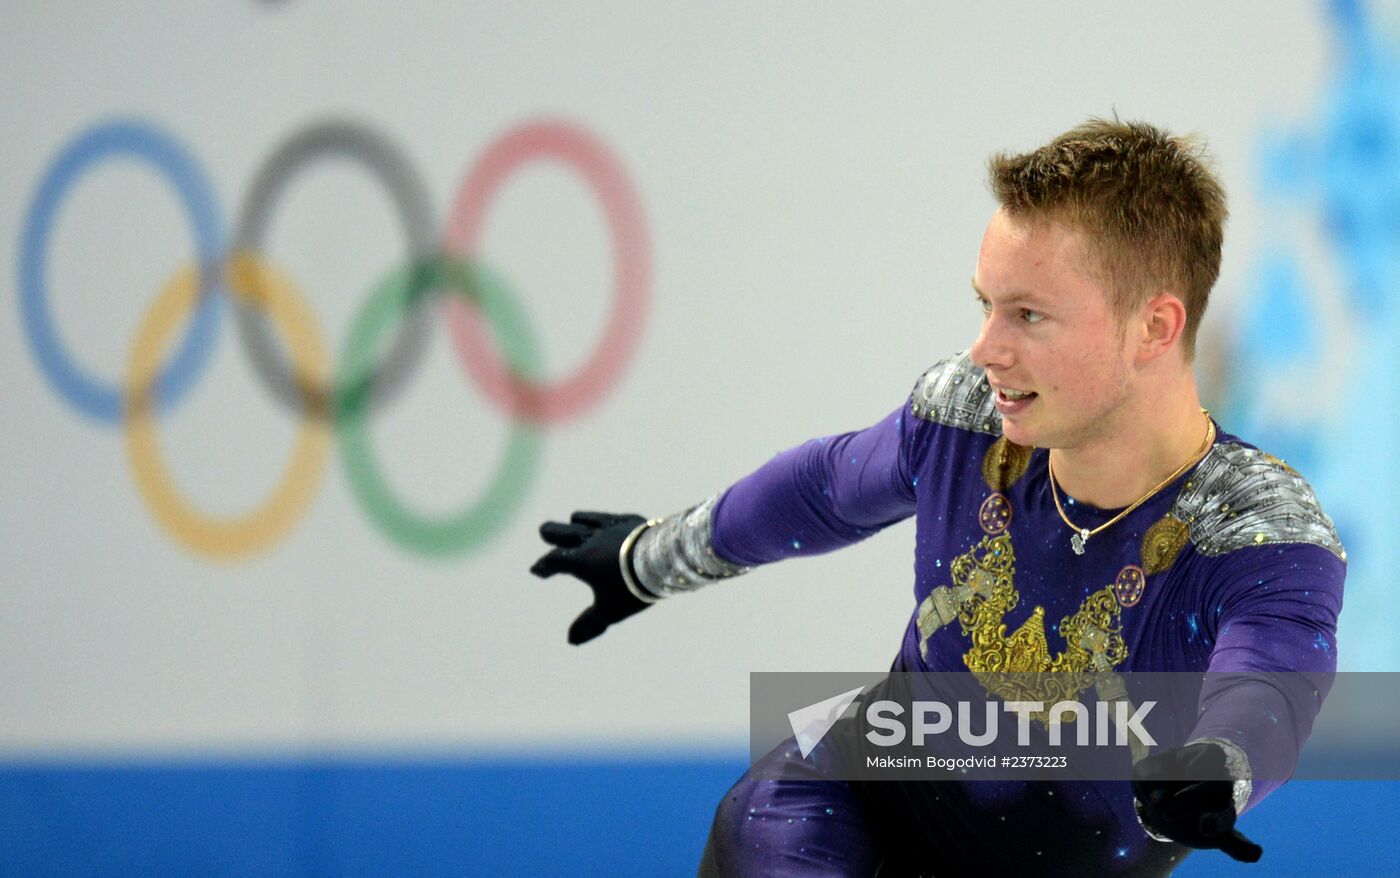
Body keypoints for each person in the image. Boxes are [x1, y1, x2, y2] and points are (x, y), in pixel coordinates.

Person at [530, 119, 1345, 876]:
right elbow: (824, 487)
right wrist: (650, 560)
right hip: (839, 804)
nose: (986, 349)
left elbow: (1272, 683)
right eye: (985, 305)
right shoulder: (967, 416)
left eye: (1028, 314)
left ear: (1155, 329)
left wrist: (1220, 766)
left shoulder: (1257, 527)